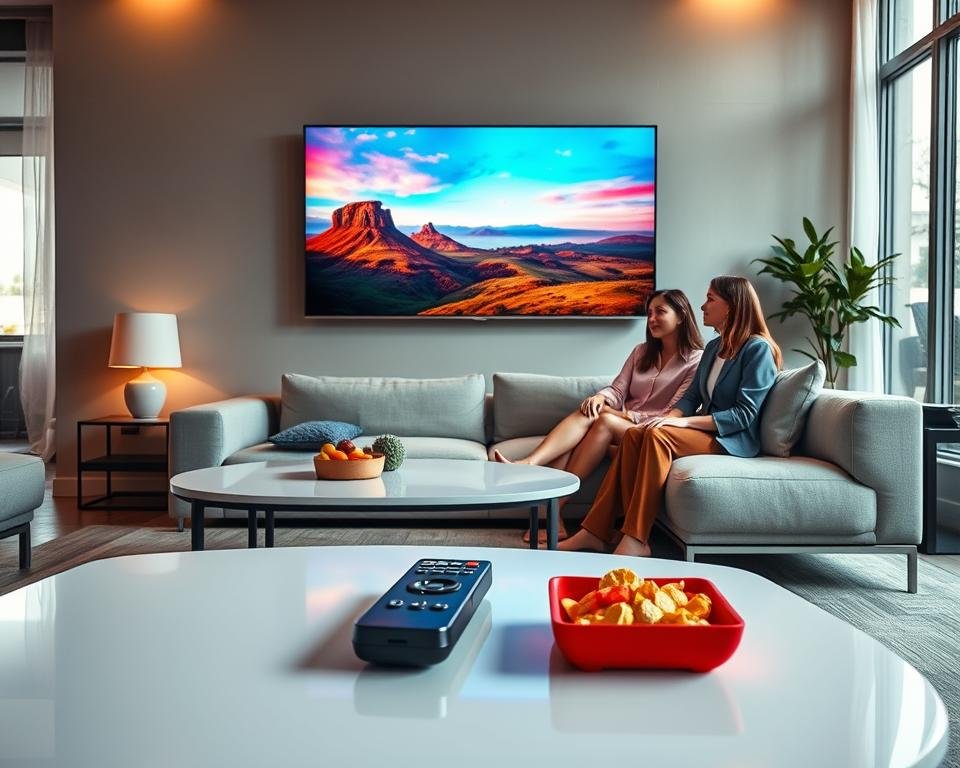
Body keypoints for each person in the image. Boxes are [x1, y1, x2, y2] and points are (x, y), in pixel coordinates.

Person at [559, 275, 783, 557]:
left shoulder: (757, 349)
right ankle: (594, 531)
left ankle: (636, 538)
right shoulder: (714, 347)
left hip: (732, 440)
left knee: (657, 436)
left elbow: (744, 415)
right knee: (636, 433)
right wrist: (669, 416)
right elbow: (692, 397)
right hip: (706, 431)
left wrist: (680, 422)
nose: (702, 306)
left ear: (731, 306)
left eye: (710, 299)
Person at [493, 289, 704, 544]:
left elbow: (670, 413)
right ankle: (550, 506)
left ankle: (538, 482)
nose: (652, 319)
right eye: (649, 313)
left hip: (649, 433)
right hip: (620, 426)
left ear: (681, 315)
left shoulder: (696, 360)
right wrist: (601, 398)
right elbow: (618, 389)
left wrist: (617, 413)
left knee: (603, 419)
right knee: (590, 412)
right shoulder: (641, 352)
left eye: (660, 312)